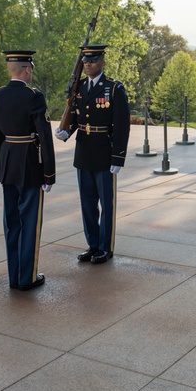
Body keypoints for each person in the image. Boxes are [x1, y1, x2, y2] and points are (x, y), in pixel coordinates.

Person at [0, 49, 57, 290]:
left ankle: (14, 277)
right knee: (29, 222)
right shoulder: (34, 97)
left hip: (7, 165)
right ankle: (28, 277)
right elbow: (45, 137)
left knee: (11, 222)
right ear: (27, 69)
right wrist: (49, 173)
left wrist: (0, 166)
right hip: (29, 165)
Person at [54, 44, 130, 264]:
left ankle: (105, 248)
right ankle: (93, 244)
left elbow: (122, 126)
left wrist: (118, 157)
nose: (88, 65)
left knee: (106, 204)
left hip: (105, 153)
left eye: (93, 61)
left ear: (103, 62)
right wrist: (66, 131)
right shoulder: (80, 88)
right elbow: (77, 118)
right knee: (87, 204)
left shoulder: (114, 88)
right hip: (84, 152)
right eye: (85, 62)